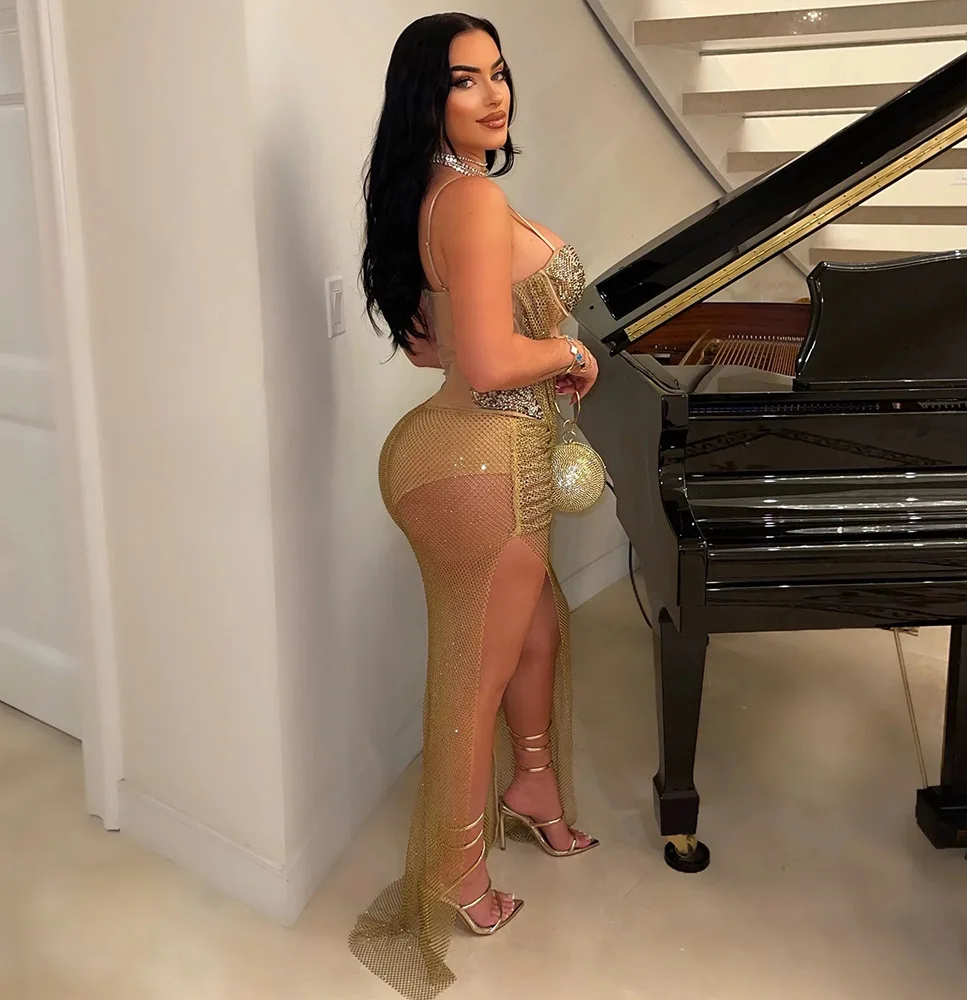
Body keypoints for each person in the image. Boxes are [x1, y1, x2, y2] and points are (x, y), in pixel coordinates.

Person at [349, 13, 600, 999]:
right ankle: (454, 875)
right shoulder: (472, 198)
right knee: (474, 678)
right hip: (484, 465)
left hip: (472, 450)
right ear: (430, 97)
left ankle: (532, 783)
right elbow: (490, 362)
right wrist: (568, 353)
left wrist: (517, 353)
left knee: (536, 635)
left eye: (499, 73)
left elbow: (438, 346)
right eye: (466, 80)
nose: (494, 94)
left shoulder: (439, 195)